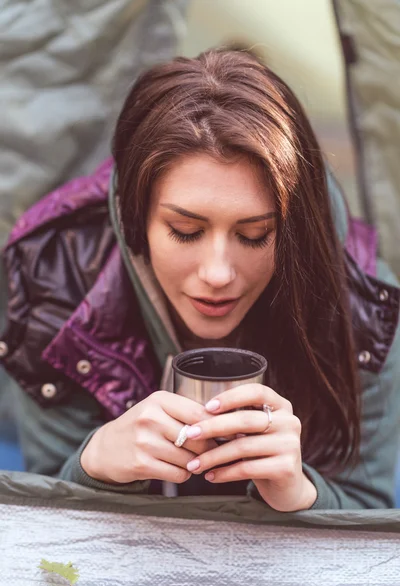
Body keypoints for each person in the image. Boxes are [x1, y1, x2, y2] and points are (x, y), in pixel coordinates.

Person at [1, 49, 399, 511]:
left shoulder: (362, 302)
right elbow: (44, 517)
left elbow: (370, 512)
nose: (217, 274)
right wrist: (92, 465)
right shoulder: (56, 283)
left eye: (255, 235)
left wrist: (301, 494)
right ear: (135, 220)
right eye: (185, 231)